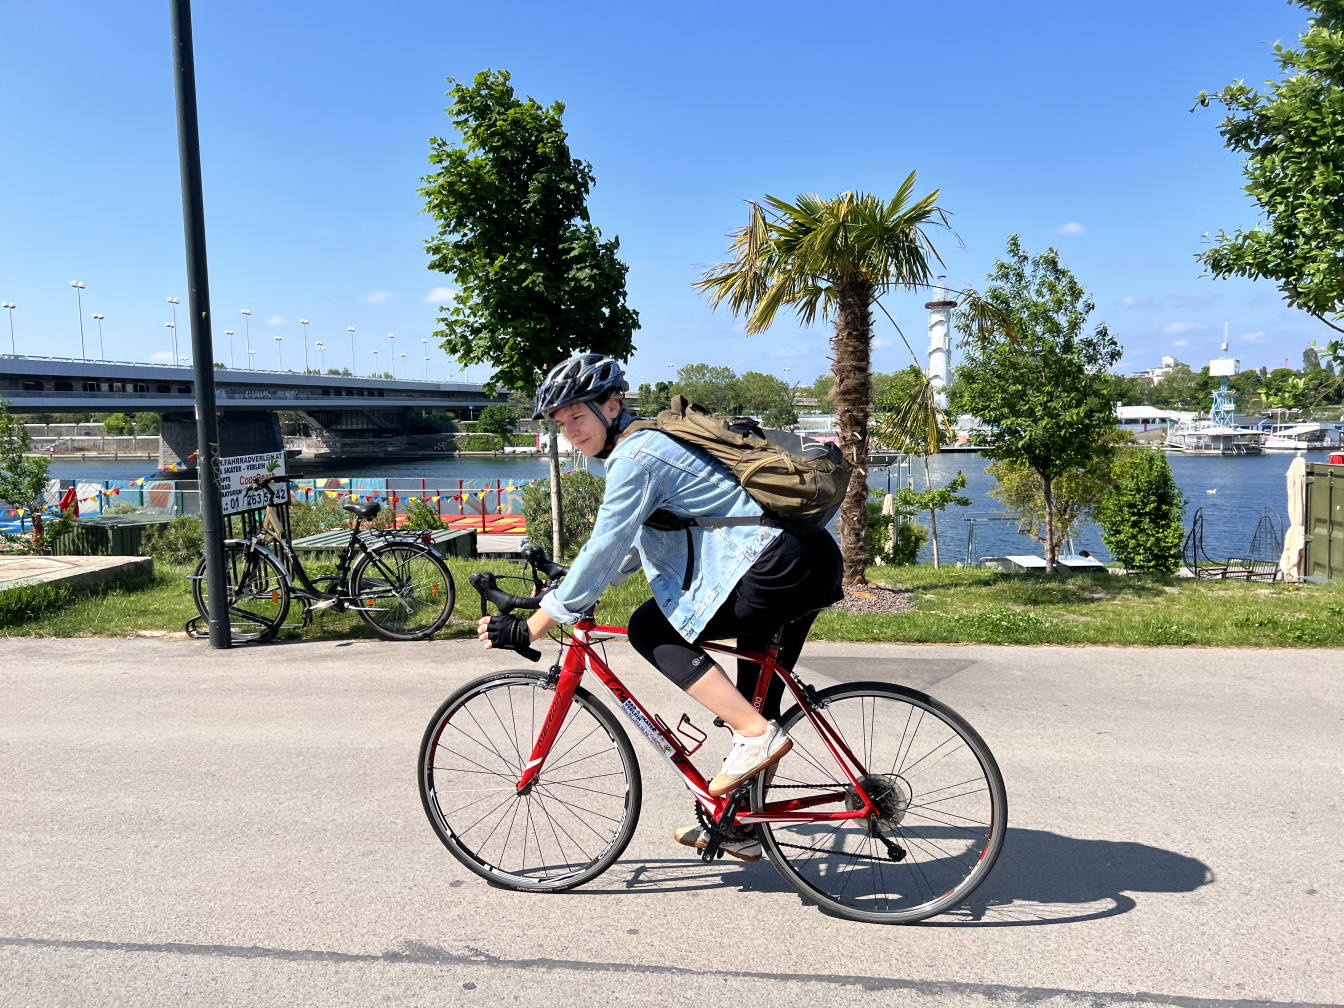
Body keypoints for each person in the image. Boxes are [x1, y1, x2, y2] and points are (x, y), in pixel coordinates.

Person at [478, 353, 843, 861]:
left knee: (651, 627)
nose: (570, 434)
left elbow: (607, 543)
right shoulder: (650, 443)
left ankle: (754, 736)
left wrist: (538, 623)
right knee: (758, 697)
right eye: (561, 425)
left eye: (577, 418)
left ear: (611, 404)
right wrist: (565, 593)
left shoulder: (636, 456)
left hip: (774, 568)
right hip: (801, 558)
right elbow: (628, 549)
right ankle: (741, 824)